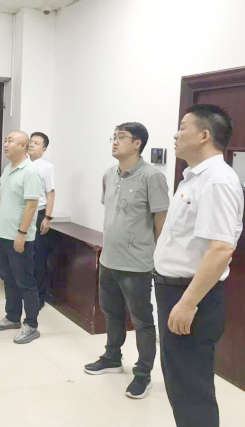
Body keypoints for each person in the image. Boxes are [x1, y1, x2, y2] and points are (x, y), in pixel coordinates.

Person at [153, 104, 243, 426]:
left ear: (204, 135)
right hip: (176, 292)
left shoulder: (217, 181)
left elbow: (221, 249)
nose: (176, 135)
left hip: (192, 296)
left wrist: (188, 303)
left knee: (192, 389)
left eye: (182, 127)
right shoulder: (193, 178)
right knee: (180, 383)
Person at [84, 122, 169, 399]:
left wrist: (157, 258)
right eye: (114, 136)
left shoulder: (152, 177)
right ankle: (112, 357)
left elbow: (161, 222)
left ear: (137, 143)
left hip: (137, 264)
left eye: (121, 137)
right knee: (111, 312)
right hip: (109, 259)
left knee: (142, 320)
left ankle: (143, 374)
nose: (115, 141)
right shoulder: (109, 174)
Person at [0, 131, 42, 344]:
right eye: (5, 140)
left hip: (20, 238)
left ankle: (32, 325)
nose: (6, 144)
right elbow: (0, 197)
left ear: (23, 146)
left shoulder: (30, 171)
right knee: (8, 278)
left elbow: (31, 206)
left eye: (10, 141)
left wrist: (22, 233)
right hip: (4, 234)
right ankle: (12, 317)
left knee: (25, 281)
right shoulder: (8, 169)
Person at [28, 132, 56, 309]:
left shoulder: (47, 167)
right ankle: (26, 291)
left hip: (38, 215)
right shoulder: (22, 164)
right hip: (23, 215)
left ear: (44, 149)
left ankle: (39, 296)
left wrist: (47, 217)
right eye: (31, 142)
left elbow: (50, 193)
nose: (32, 145)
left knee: (38, 256)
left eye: (36, 143)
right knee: (25, 255)